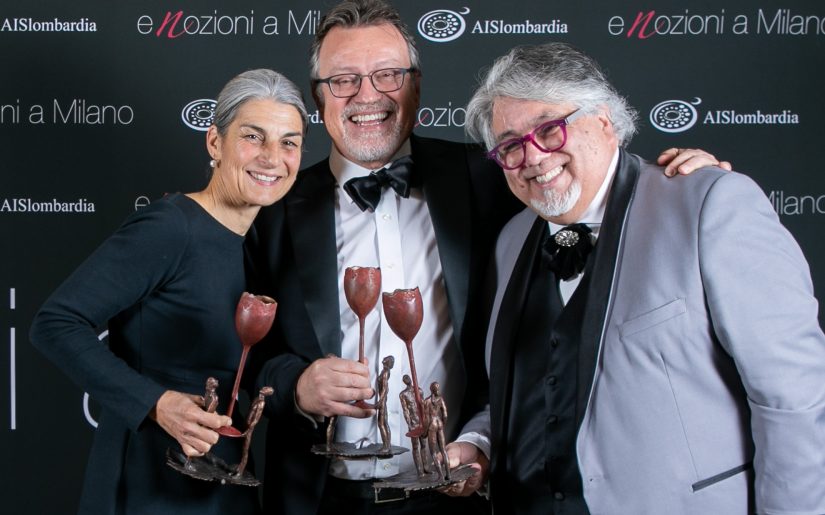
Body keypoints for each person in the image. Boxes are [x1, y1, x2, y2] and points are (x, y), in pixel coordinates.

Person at [244, 1, 729, 513]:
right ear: (319, 96)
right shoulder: (271, 207)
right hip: (316, 498)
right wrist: (296, 386)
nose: (367, 95)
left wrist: (677, 184)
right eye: (344, 80)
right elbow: (238, 356)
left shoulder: (493, 174)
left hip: (461, 492)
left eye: (388, 75)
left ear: (415, 86)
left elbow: (585, 183)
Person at [460, 42, 825, 514]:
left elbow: (794, 399)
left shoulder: (708, 204)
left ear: (604, 122)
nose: (533, 155)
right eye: (511, 145)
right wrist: (479, 442)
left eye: (549, 129)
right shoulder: (511, 240)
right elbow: (535, 393)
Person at [29, 68, 308, 515]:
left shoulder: (258, 242)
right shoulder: (171, 227)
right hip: (150, 480)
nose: (272, 157)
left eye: (289, 142)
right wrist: (156, 403)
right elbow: (55, 323)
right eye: (253, 137)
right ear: (214, 142)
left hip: (224, 481)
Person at [399, 374, 429, 477]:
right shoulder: (403, 394)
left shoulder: (419, 390)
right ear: (404, 381)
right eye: (405, 379)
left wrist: (425, 420)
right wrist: (409, 424)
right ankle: (420, 471)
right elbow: (405, 410)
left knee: (424, 445)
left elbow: (423, 406)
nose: (407, 380)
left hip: (421, 422)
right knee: (415, 446)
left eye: (408, 378)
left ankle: (426, 468)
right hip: (413, 423)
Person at [376, 355, 394, 452]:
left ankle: (386, 446)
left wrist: (380, 401)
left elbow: (385, 388)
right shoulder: (384, 371)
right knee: (385, 423)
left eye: (386, 359)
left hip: (382, 401)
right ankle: (387, 445)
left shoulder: (385, 372)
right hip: (383, 400)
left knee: (381, 423)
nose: (383, 359)